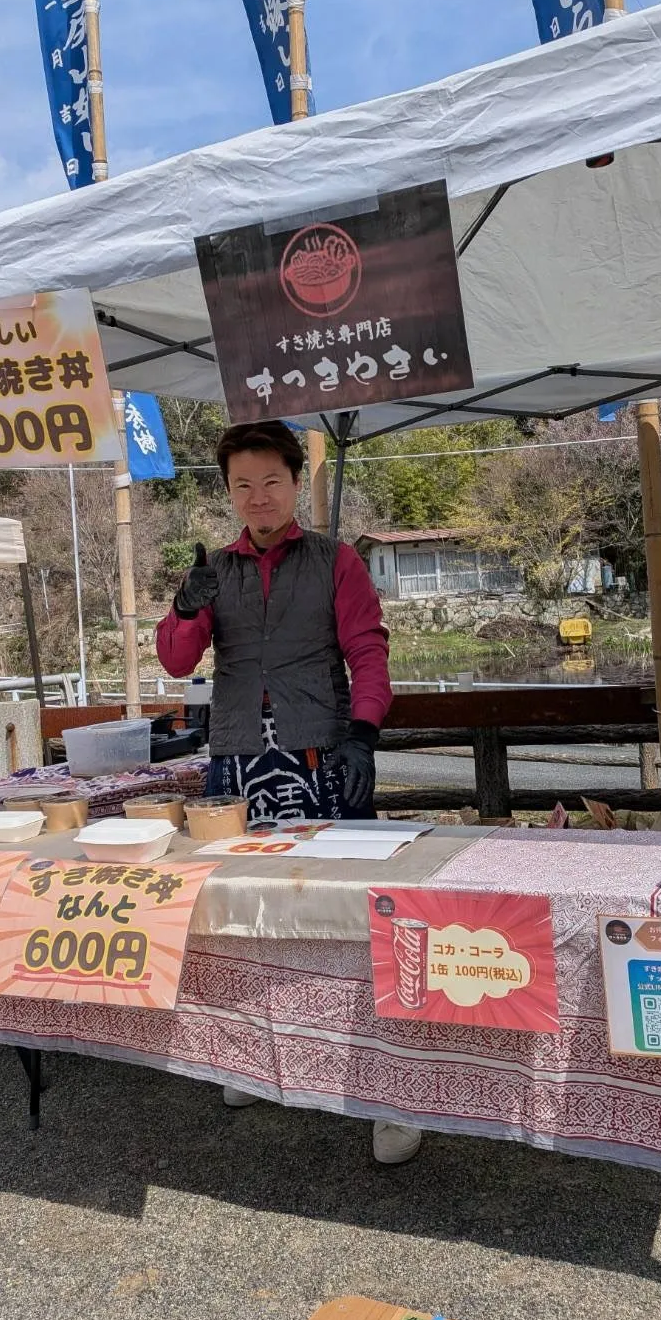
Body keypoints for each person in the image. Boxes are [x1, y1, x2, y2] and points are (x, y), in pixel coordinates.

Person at [156, 420, 421, 1165]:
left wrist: (365, 731)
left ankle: (387, 1094)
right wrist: (183, 607)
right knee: (239, 918)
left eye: (271, 481)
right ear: (229, 491)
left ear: (297, 481)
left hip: (320, 758)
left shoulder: (336, 561)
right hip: (237, 766)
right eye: (242, 484)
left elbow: (368, 650)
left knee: (348, 922)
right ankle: (250, 1061)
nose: (258, 497)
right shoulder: (219, 569)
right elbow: (178, 663)